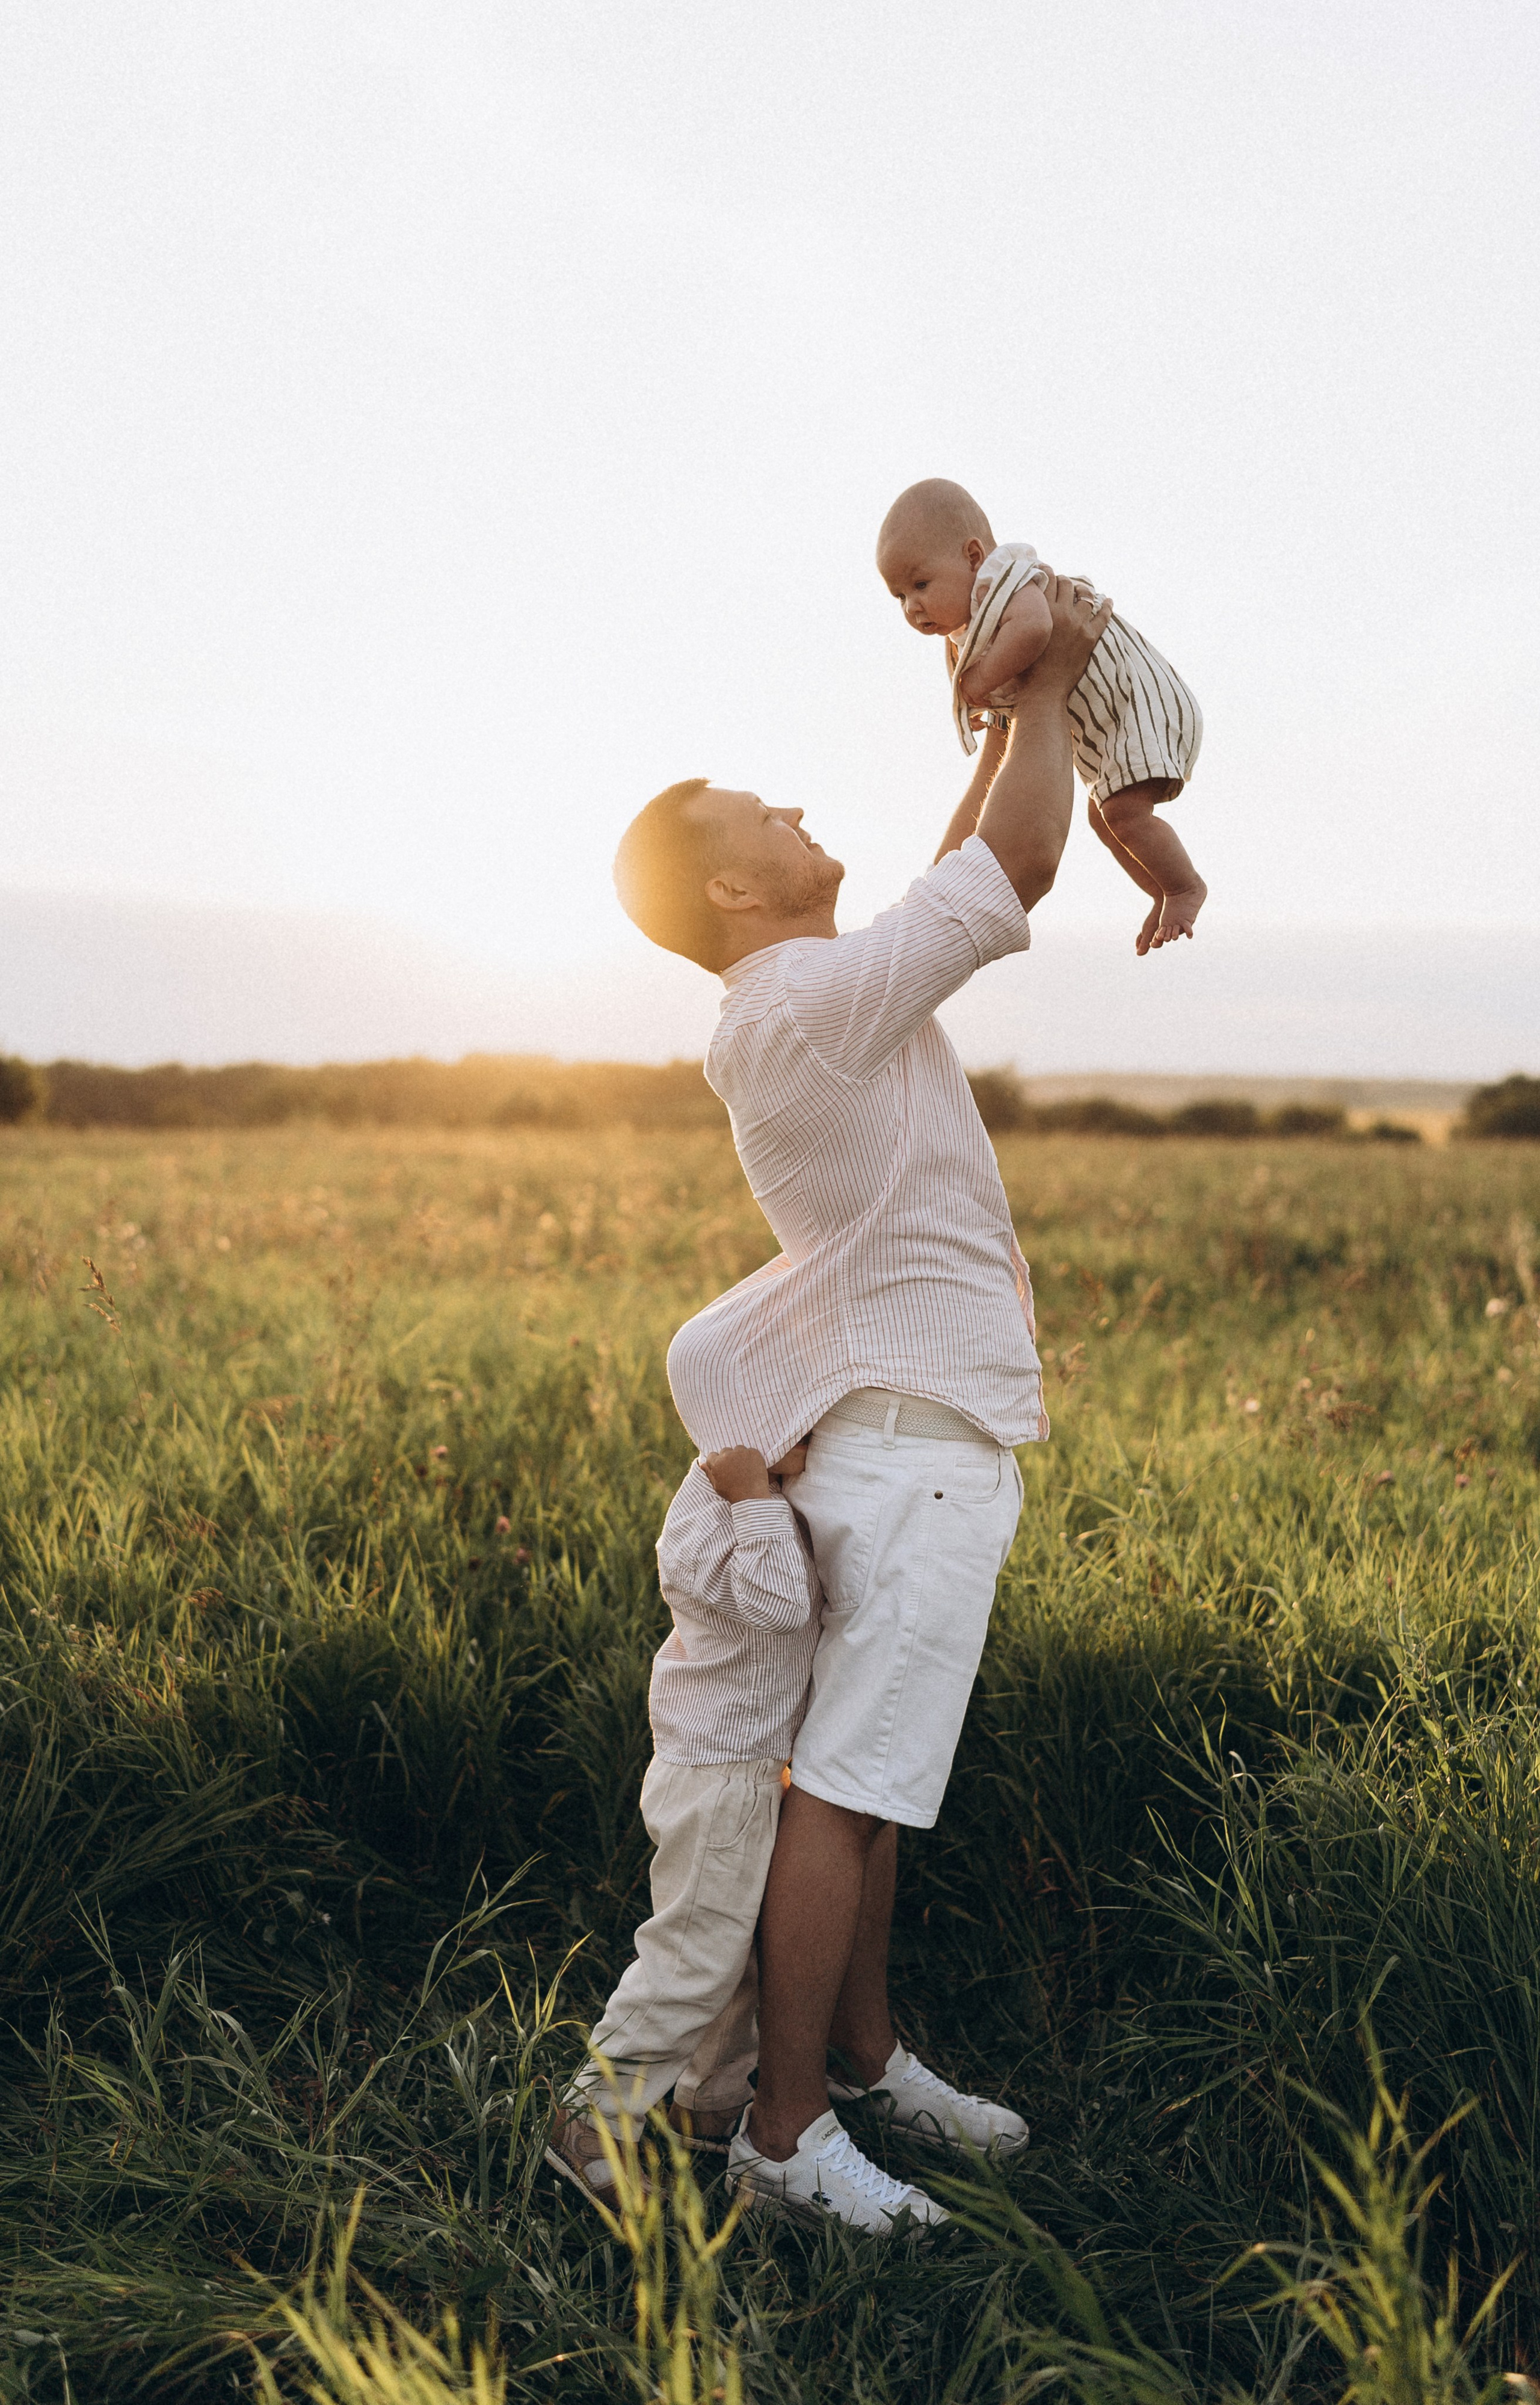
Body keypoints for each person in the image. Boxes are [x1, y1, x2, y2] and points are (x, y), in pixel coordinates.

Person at [608, 573, 1110, 2232]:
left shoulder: (808, 998)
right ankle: (787, 2131)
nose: (799, 811)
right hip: (907, 1446)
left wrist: (1000, 723)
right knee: (846, 1791)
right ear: (734, 884)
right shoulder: (808, 1007)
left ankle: (869, 2056)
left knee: (863, 1779)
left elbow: (945, 887)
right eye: (769, 814)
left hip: (901, 1433)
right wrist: (1053, 682)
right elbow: (1011, 872)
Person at [877, 477, 1206, 956]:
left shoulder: (1005, 581)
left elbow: (1034, 629)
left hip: (1137, 705)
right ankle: (1160, 888)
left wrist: (977, 684)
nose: (912, 607)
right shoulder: (968, 621)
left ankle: (1184, 887)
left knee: (1123, 813)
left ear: (973, 556)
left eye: (920, 585)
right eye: (900, 596)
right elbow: (979, 669)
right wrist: (980, 700)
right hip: (1105, 724)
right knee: (1108, 818)